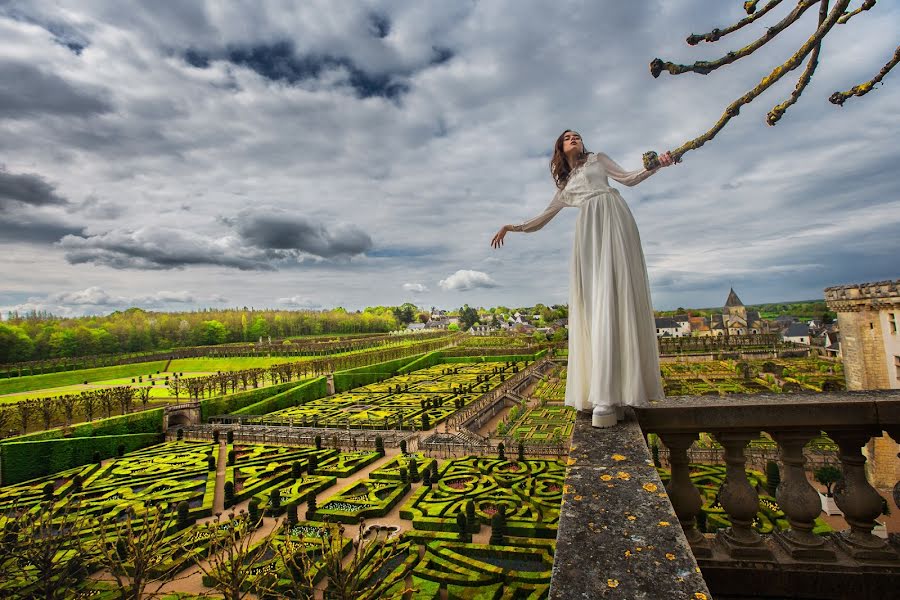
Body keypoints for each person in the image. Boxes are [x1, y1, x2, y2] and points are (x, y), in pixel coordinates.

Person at [491, 130, 674, 427]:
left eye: (577, 135)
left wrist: (658, 165)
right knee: (594, 303)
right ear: (560, 149)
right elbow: (540, 219)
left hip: (613, 218)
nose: (574, 138)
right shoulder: (564, 186)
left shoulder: (597, 159)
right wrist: (509, 227)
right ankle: (602, 392)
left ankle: (617, 394)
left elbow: (628, 178)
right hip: (588, 232)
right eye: (567, 137)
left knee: (616, 293)